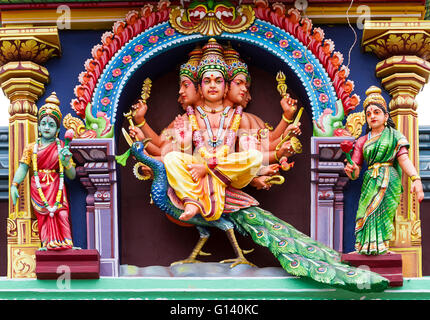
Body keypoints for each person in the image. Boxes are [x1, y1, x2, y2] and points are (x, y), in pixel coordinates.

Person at [344, 86, 424, 255]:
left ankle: (381, 247)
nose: (372, 116)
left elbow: (403, 159)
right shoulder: (362, 141)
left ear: (386, 116)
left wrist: (415, 178)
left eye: (376, 112)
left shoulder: (395, 136)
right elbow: (356, 170)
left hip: (389, 181)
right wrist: (351, 170)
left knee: (384, 216)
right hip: (370, 182)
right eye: (368, 113)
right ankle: (365, 248)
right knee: (365, 213)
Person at [10, 92, 77, 250]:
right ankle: (46, 244)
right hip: (38, 185)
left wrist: (66, 162)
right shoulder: (31, 147)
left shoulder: (62, 146)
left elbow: (72, 176)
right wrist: (14, 184)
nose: (47, 127)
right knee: (43, 216)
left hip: (56, 184)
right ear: (39, 126)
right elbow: (23, 167)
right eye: (44, 124)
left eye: (51, 125)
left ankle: (67, 243)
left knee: (61, 213)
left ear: (58, 129)